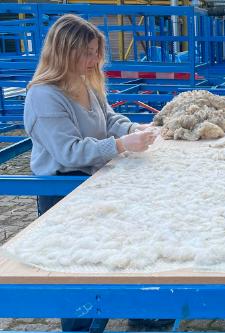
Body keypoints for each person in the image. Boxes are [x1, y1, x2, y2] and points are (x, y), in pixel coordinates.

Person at [23, 14, 158, 333]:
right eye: (86, 52)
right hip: (64, 190)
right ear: (63, 52)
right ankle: (78, 328)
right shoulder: (44, 95)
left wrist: (132, 128)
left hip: (97, 182)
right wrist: (121, 145)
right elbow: (67, 152)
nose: (94, 59)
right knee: (73, 268)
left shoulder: (85, 82)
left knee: (116, 253)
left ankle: (135, 312)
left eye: (96, 51)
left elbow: (109, 119)